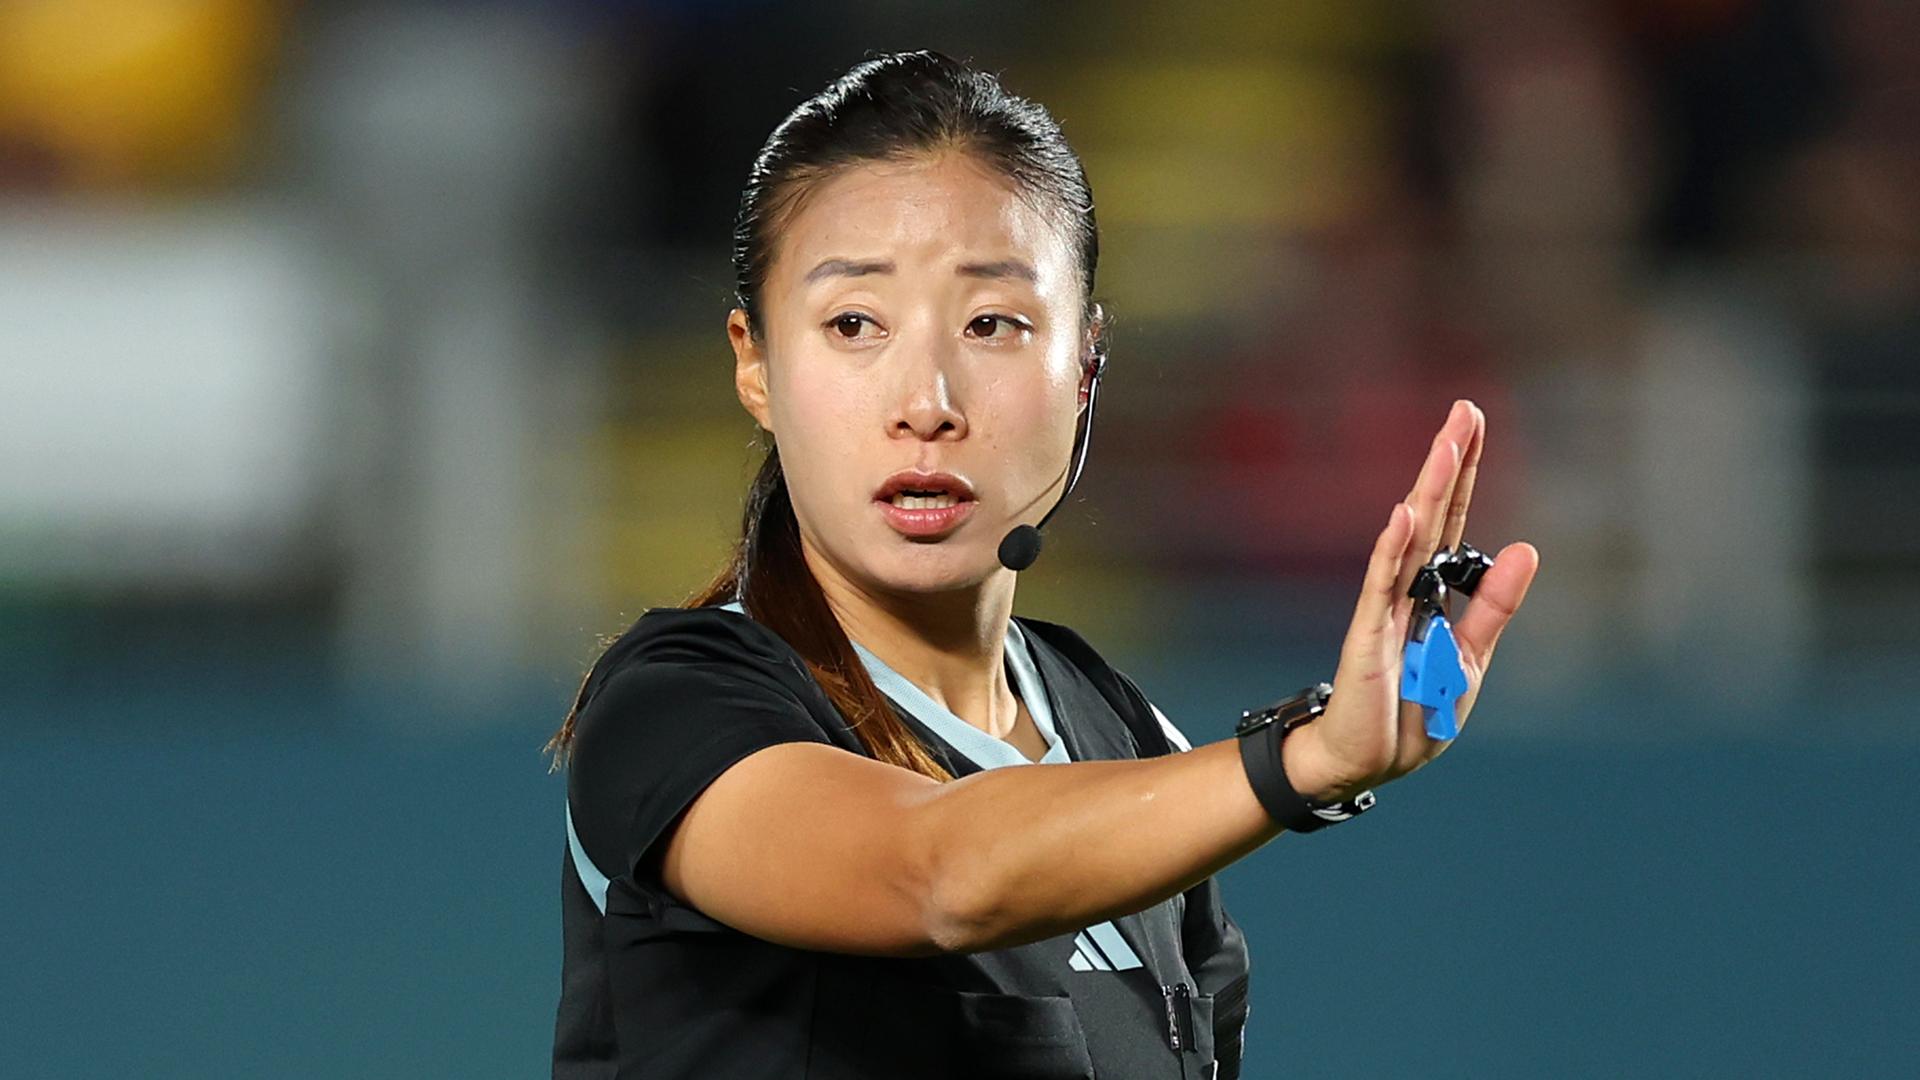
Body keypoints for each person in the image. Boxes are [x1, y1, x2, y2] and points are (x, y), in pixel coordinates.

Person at [546, 48, 1539, 1080]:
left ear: (1087, 366)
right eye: (853, 325)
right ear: (754, 365)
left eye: (992, 324)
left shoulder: (1128, 741)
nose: (926, 400)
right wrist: (1305, 761)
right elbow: (938, 876)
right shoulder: (674, 707)